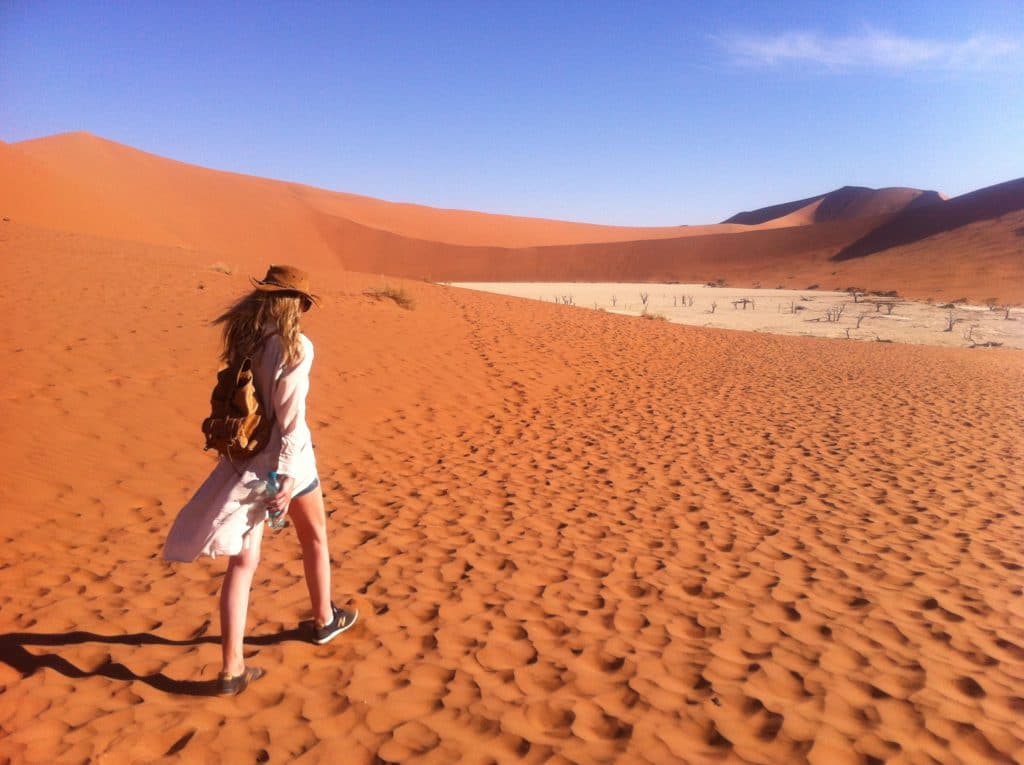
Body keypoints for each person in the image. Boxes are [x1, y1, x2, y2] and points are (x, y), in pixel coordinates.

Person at [164, 264, 357, 696]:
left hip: (244, 462)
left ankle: (232, 669)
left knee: (243, 564)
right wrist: (287, 477)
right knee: (315, 538)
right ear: (296, 304)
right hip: (288, 463)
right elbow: (290, 421)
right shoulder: (295, 347)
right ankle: (324, 620)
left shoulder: (245, 340)